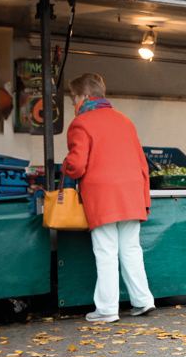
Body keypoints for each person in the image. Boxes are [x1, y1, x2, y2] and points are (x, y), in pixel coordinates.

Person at [64, 73, 155, 323]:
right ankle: (143, 301)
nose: (73, 103)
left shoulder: (81, 123)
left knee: (106, 250)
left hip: (104, 196)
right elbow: (141, 163)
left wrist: (65, 167)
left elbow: (77, 165)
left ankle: (106, 309)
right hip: (132, 193)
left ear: (84, 96)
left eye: (73, 98)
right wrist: (144, 199)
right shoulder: (125, 120)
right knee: (131, 250)